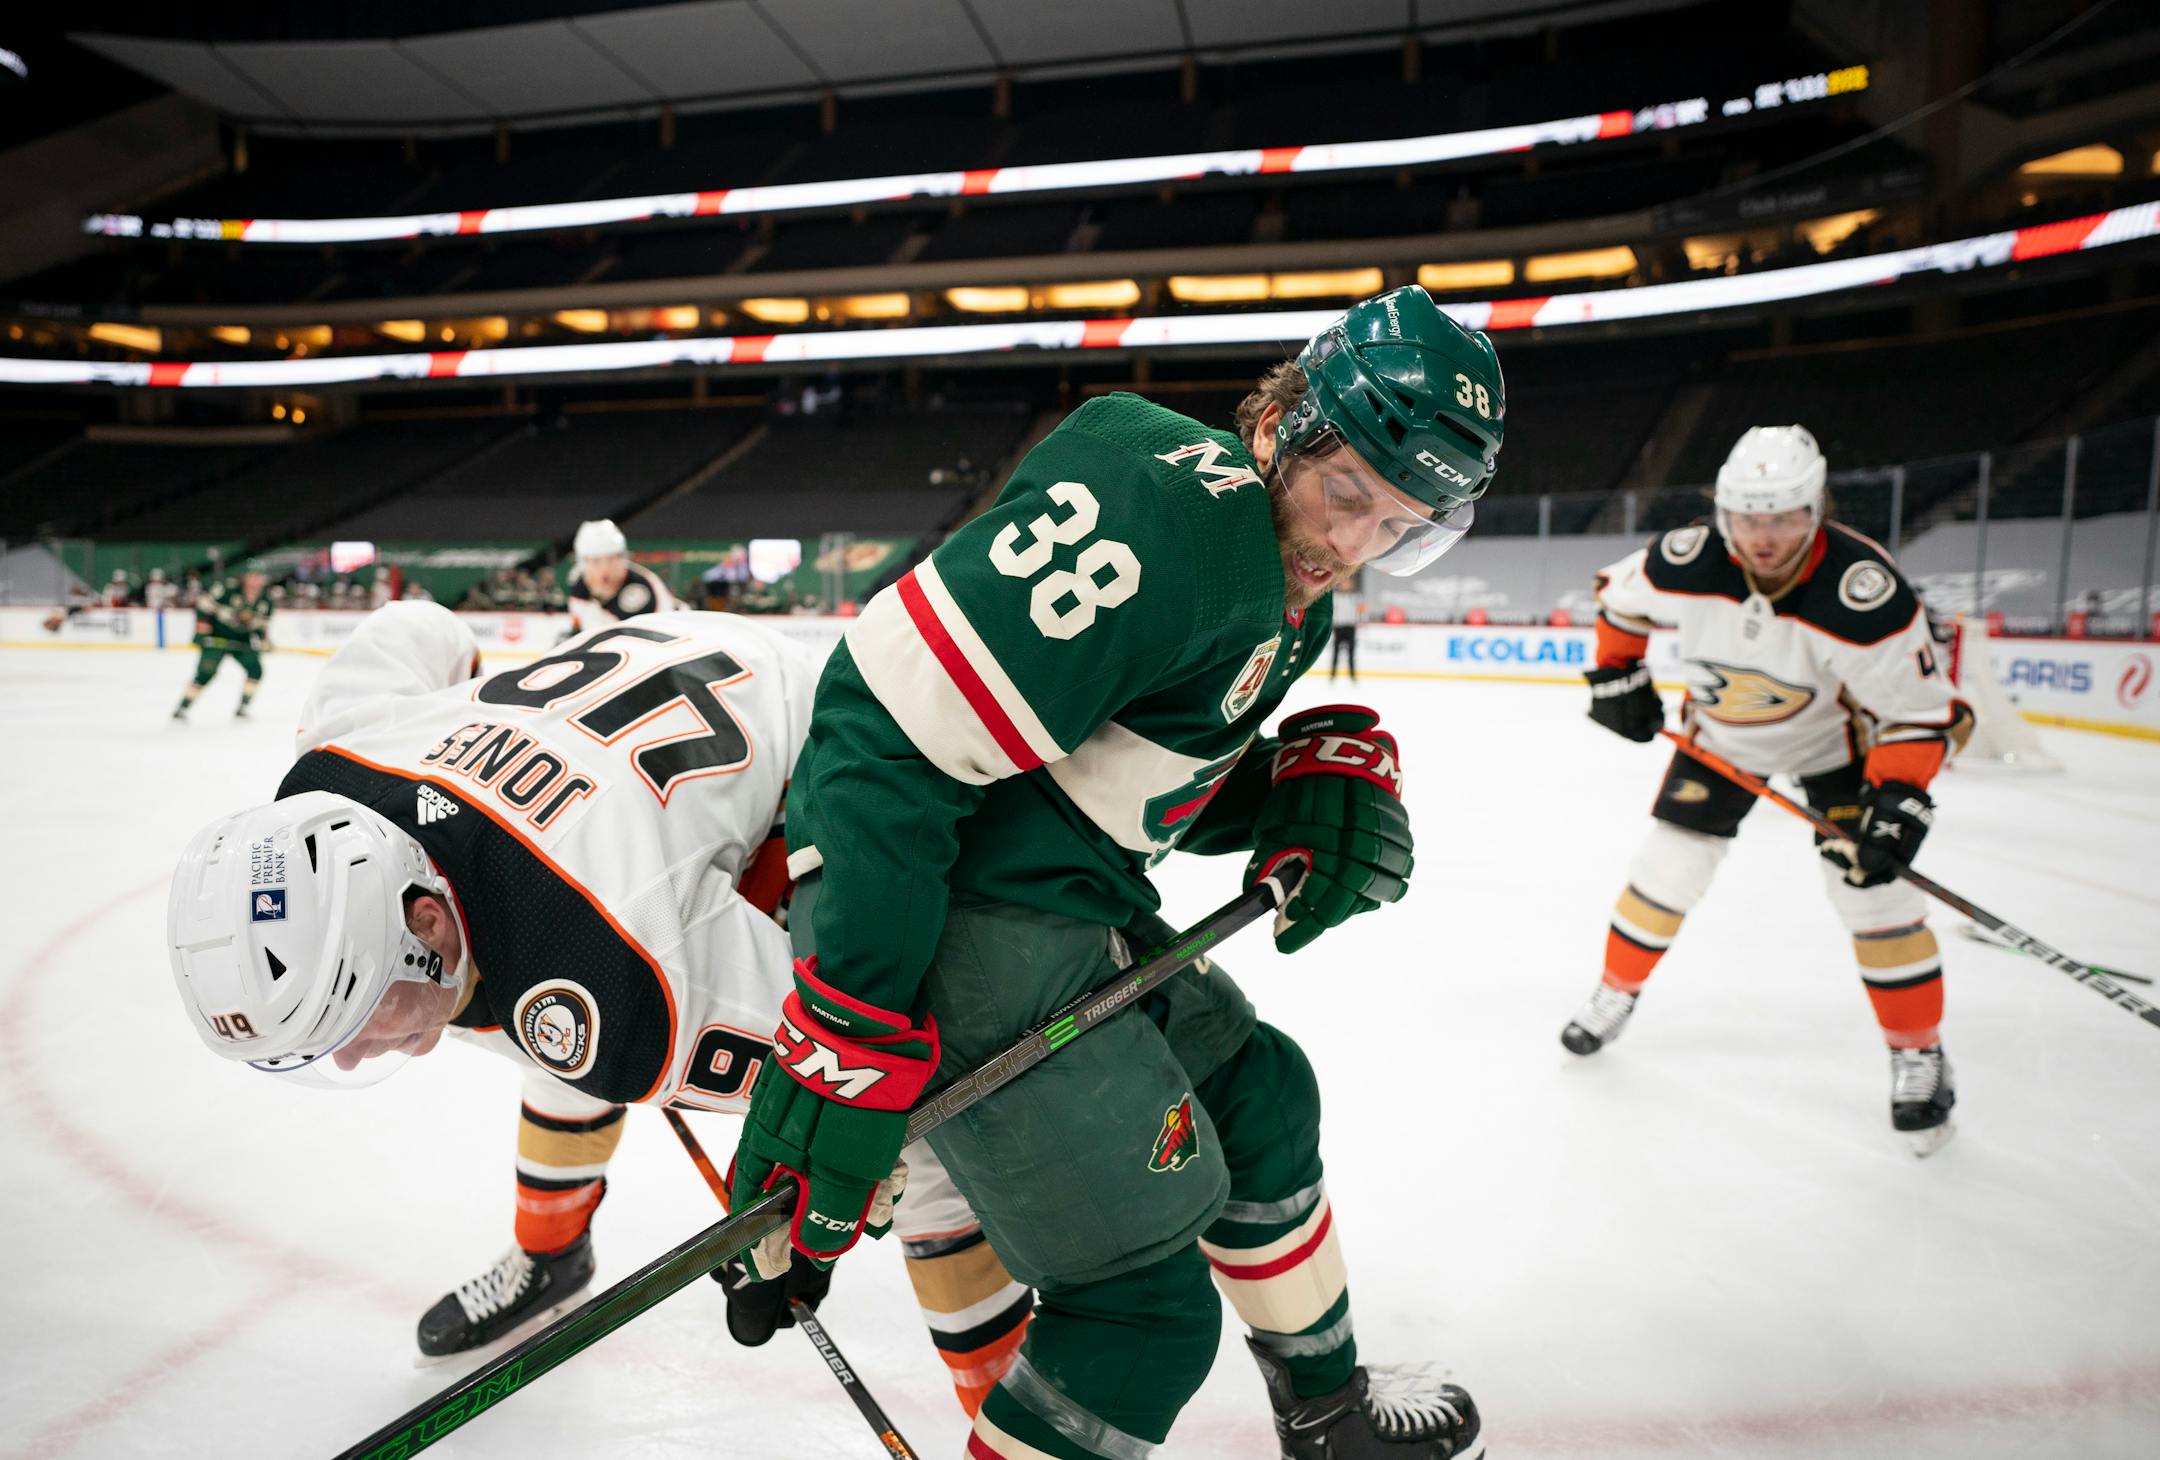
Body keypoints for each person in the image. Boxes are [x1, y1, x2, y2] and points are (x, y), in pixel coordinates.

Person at [728, 286, 1500, 1459]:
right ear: (1289, 415)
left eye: (1398, 528)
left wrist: (1284, 792)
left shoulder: (1269, 581)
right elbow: (885, 724)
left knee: (1263, 1095)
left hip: (1052, 900)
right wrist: (852, 1013)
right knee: (1140, 1319)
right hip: (941, 913)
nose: (1356, 545)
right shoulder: (1166, 504)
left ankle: (1330, 1415)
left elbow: (1125, 782)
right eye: (1349, 496)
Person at [163, 603, 1037, 1407]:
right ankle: (552, 1254)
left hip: (798, 747)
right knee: (554, 1036)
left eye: (353, 1024)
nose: (350, 1059)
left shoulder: (631, 972)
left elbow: (869, 1071)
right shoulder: (340, 764)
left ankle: (1012, 1407)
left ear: (424, 922)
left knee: (919, 1160)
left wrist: (796, 1226)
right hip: (661, 668)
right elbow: (413, 626)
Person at [1565, 425, 1975, 1155]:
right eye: (1749, 516)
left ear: (1815, 509)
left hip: (1834, 748)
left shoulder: (1864, 591)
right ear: (1723, 511)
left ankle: (1918, 1050)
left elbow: (1922, 712)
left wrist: (1899, 797)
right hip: (1721, 741)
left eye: (1782, 516)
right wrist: (1616, 673)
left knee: (1874, 895)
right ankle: (1615, 992)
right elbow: (1617, 599)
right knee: (1666, 873)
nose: (1763, 536)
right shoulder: (1688, 558)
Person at [174, 566, 272, 721]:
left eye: (259, 576)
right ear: (245, 576)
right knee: (205, 674)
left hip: (241, 643)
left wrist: (264, 641)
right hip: (216, 640)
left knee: (256, 670)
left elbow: (261, 626)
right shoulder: (227, 589)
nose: (256, 580)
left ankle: (243, 707)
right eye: (252, 575)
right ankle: (182, 707)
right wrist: (201, 632)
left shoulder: (266, 601)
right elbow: (203, 605)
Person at [565, 519, 676, 635]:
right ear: (583, 563)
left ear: (622, 557)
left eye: (611, 559)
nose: (605, 568)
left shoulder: (641, 587)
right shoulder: (578, 585)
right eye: (596, 561)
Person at [1329, 580, 1361, 681]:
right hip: (1339, 627)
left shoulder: (1356, 596)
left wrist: (1359, 621)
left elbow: (1360, 610)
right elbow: (1333, 610)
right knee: (1336, 652)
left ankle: (1352, 675)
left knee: (1351, 653)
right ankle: (1333, 675)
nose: (1346, 585)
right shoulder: (1336, 596)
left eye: (1348, 583)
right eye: (1344, 583)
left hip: (1350, 626)